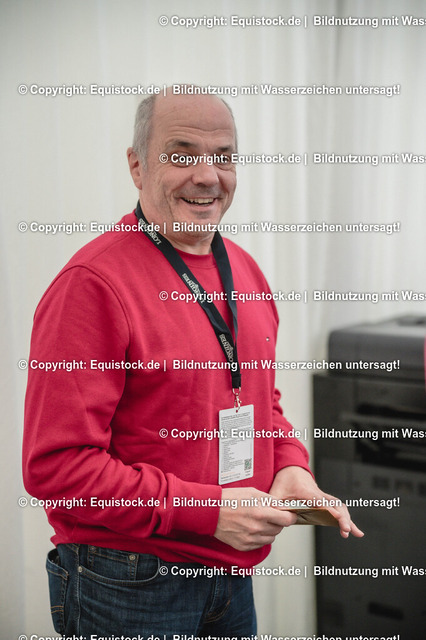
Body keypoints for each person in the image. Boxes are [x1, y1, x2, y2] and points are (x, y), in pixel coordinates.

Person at [23, 90, 363, 638]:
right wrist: (208, 511)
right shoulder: (92, 286)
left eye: (223, 156)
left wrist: (289, 466)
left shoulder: (245, 271)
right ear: (137, 166)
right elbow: (56, 469)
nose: (207, 176)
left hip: (230, 578)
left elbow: (257, 402)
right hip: (129, 582)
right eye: (181, 154)